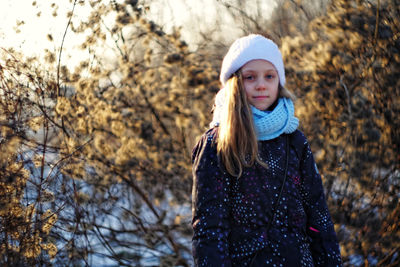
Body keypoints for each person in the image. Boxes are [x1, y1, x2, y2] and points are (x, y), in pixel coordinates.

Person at [191, 34, 342, 266]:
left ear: (278, 82)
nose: (261, 84)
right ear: (234, 84)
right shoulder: (217, 144)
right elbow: (210, 230)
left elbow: (318, 216)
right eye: (250, 77)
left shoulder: (294, 140)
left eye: (269, 76)